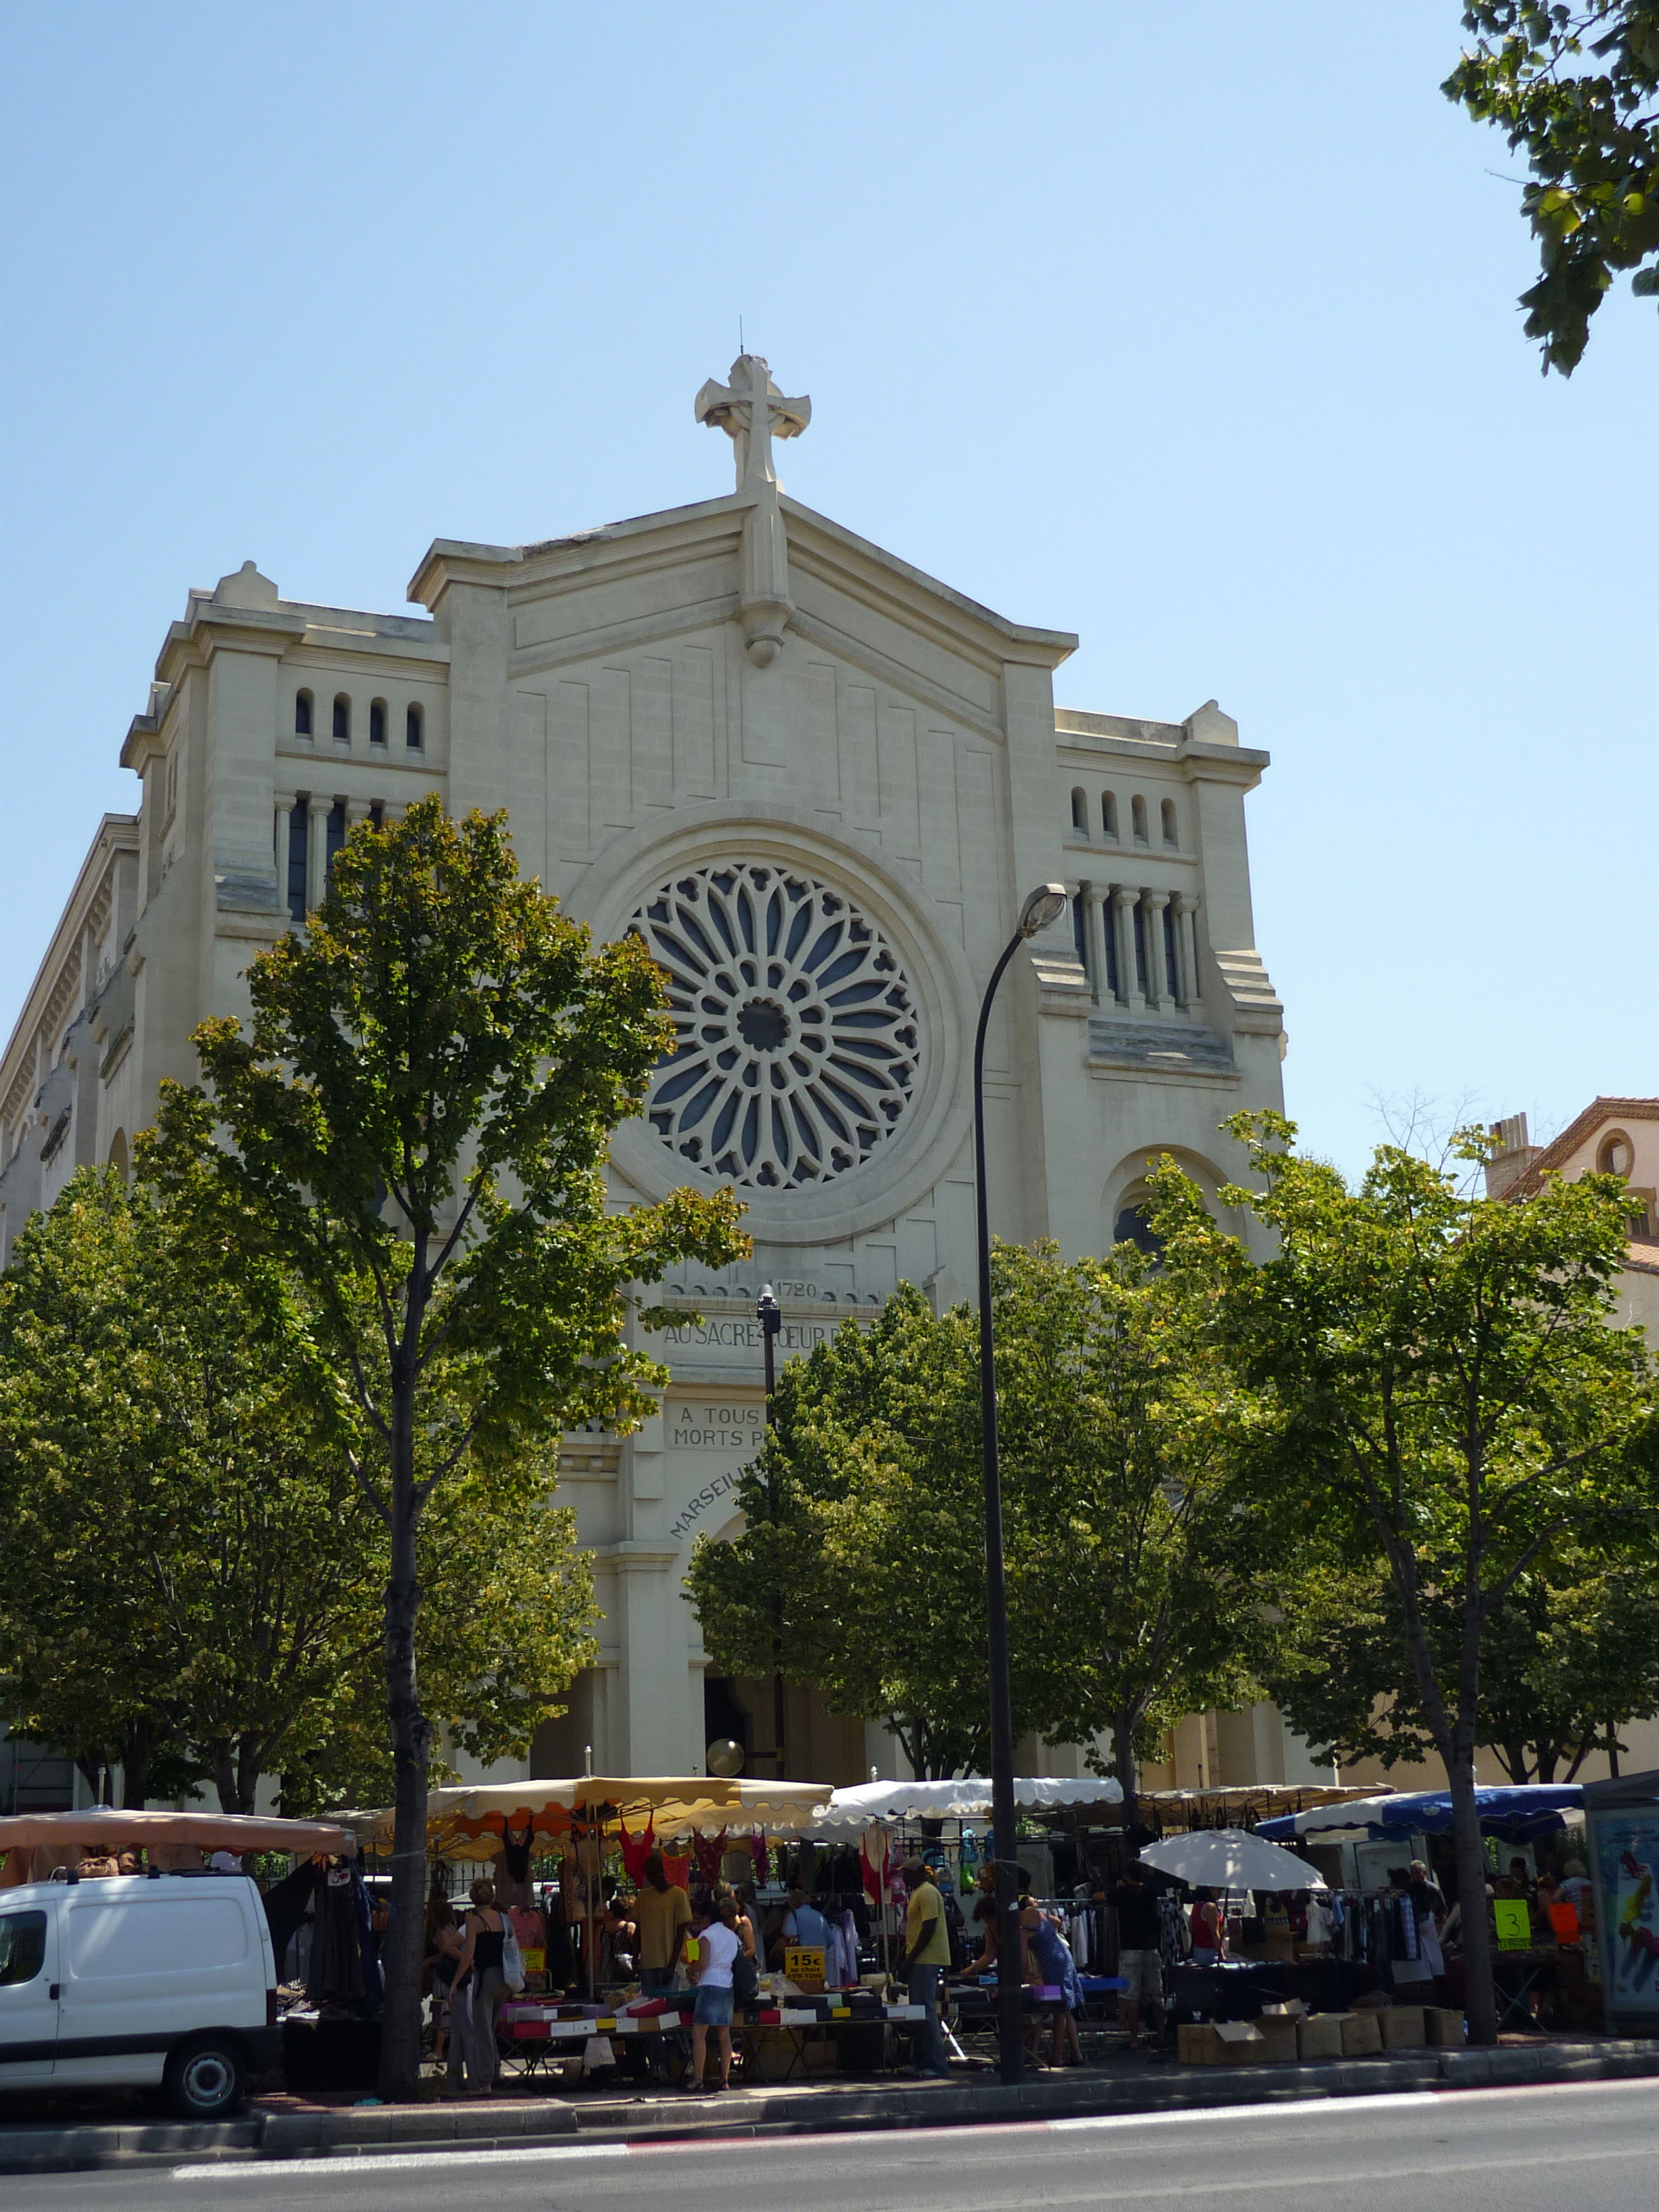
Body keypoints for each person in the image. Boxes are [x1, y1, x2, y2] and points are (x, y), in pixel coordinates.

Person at [447, 1877, 510, 2096]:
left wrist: (455, 1982)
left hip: (485, 1979)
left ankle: (485, 2081)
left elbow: (468, 1956)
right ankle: (495, 2071)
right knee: (491, 2029)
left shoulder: (474, 1922)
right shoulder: (504, 1918)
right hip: (505, 1979)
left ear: (473, 1900)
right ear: (491, 1897)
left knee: (482, 2031)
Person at [898, 1857, 952, 2078]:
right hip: (919, 1959)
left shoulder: (928, 1893)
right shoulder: (919, 1894)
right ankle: (922, 2063)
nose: (904, 1879)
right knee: (919, 2014)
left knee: (926, 2013)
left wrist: (910, 1959)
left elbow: (928, 1927)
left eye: (907, 1874)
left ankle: (936, 2065)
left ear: (919, 1872)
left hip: (925, 1960)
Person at [1019, 1885, 1083, 2068]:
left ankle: (1057, 2057)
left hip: (1052, 1963)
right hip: (1063, 1957)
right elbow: (1056, 1921)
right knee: (1065, 2008)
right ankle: (1076, 2054)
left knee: (1058, 2009)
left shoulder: (1022, 1925)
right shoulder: (1038, 1915)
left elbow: (1023, 1963)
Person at [684, 1889, 739, 2090]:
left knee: (699, 2033)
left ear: (707, 1918)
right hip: (728, 1984)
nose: (699, 1924)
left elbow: (703, 1963)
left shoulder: (706, 1936)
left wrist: (691, 1969)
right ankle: (724, 2080)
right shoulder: (731, 1935)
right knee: (724, 2035)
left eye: (700, 1919)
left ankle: (698, 2079)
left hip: (710, 1985)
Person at [1109, 1860, 1166, 2050]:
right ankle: (1162, 2035)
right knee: (1156, 1995)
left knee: (1131, 1995)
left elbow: (1099, 1896)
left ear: (1126, 1876)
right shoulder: (1151, 1894)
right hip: (1152, 1948)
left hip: (1130, 1949)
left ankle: (1134, 2038)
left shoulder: (1122, 1893)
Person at [634, 1851, 693, 1992]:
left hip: (668, 1964)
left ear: (661, 1871)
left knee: (669, 2008)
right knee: (648, 2006)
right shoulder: (643, 1897)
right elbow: (638, 1930)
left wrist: (672, 1965)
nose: (650, 1877)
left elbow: (681, 1933)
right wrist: (635, 1959)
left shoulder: (678, 1895)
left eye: (653, 1873)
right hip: (648, 1964)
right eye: (648, 1874)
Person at [424, 1896, 465, 2064]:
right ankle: (440, 2047)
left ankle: (438, 2049)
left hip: (443, 1976)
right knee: (445, 2009)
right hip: (448, 1974)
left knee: (442, 2010)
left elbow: (444, 1954)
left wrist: (428, 1961)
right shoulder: (451, 1929)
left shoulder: (442, 1933)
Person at [1189, 1887, 1225, 1967]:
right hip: (1210, 1951)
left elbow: (1191, 1929)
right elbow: (1214, 1933)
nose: (1221, 1893)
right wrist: (1221, 1954)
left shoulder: (1196, 1906)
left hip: (1198, 1950)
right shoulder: (1210, 1907)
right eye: (1219, 1890)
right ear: (1212, 1890)